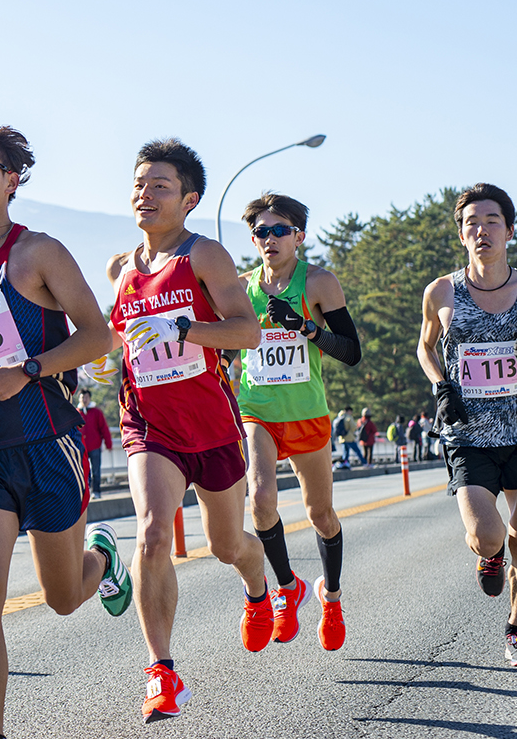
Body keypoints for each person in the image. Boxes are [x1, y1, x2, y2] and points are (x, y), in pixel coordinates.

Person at [0, 121, 130, 739]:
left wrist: (29, 369)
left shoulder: (39, 253)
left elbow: (99, 334)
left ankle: (102, 560)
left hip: (48, 444)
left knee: (62, 597)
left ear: (10, 180)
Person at [104, 138, 266, 724]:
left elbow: (246, 332)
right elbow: (123, 337)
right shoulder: (121, 269)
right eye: (140, 184)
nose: (145, 195)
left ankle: (258, 588)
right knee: (151, 536)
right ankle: (162, 673)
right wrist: (107, 357)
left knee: (227, 546)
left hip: (213, 427)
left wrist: (185, 327)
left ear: (190, 199)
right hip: (150, 426)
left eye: (161, 187)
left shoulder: (206, 257)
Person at [417, 183, 517, 668]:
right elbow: (425, 347)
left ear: (509, 229)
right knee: (488, 536)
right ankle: (488, 554)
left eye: (491, 221)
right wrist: (441, 384)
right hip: (468, 434)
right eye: (471, 224)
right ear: (461, 234)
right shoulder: (441, 291)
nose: (481, 231)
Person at [231, 193, 363, 653]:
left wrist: (308, 329)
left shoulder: (319, 284)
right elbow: (226, 344)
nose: (269, 239)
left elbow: (351, 352)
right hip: (257, 409)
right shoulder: (240, 288)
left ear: (298, 237)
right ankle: (287, 587)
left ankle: (331, 597)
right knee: (261, 499)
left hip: (306, 413)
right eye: (261, 232)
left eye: (279, 230)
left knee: (320, 515)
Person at [78, 386, 114, 498]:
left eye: (86, 397)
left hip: (95, 446)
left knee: (96, 471)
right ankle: (85, 494)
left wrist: (109, 444)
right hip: (81, 447)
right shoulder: (76, 413)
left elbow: (104, 428)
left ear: (90, 398)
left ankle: (96, 492)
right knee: (83, 472)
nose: (84, 399)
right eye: (82, 397)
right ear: (79, 399)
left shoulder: (96, 412)